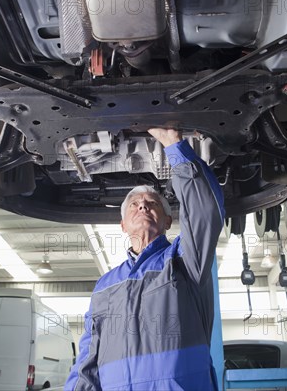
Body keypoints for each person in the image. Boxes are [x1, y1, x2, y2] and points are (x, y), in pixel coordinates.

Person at [65, 128, 225, 390]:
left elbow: (205, 213)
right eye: (134, 204)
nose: (142, 205)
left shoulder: (184, 262)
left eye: (153, 203)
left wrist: (175, 146)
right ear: (123, 225)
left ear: (167, 221)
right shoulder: (105, 285)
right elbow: (87, 359)